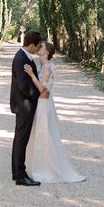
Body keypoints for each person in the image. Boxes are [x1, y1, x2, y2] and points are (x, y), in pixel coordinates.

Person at [24, 41, 85, 183]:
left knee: (44, 134)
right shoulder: (42, 65)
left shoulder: (46, 68)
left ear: (47, 52)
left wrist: (32, 75)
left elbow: (42, 89)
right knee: (41, 134)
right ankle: (38, 164)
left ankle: (46, 168)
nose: (39, 47)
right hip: (43, 102)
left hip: (44, 104)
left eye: (42, 47)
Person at [10, 29, 44, 186]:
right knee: (21, 140)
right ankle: (20, 175)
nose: (38, 50)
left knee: (19, 139)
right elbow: (24, 87)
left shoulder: (24, 56)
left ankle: (17, 172)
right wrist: (38, 94)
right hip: (25, 106)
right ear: (31, 45)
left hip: (23, 105)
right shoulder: (21, 58)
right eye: (37, 46)